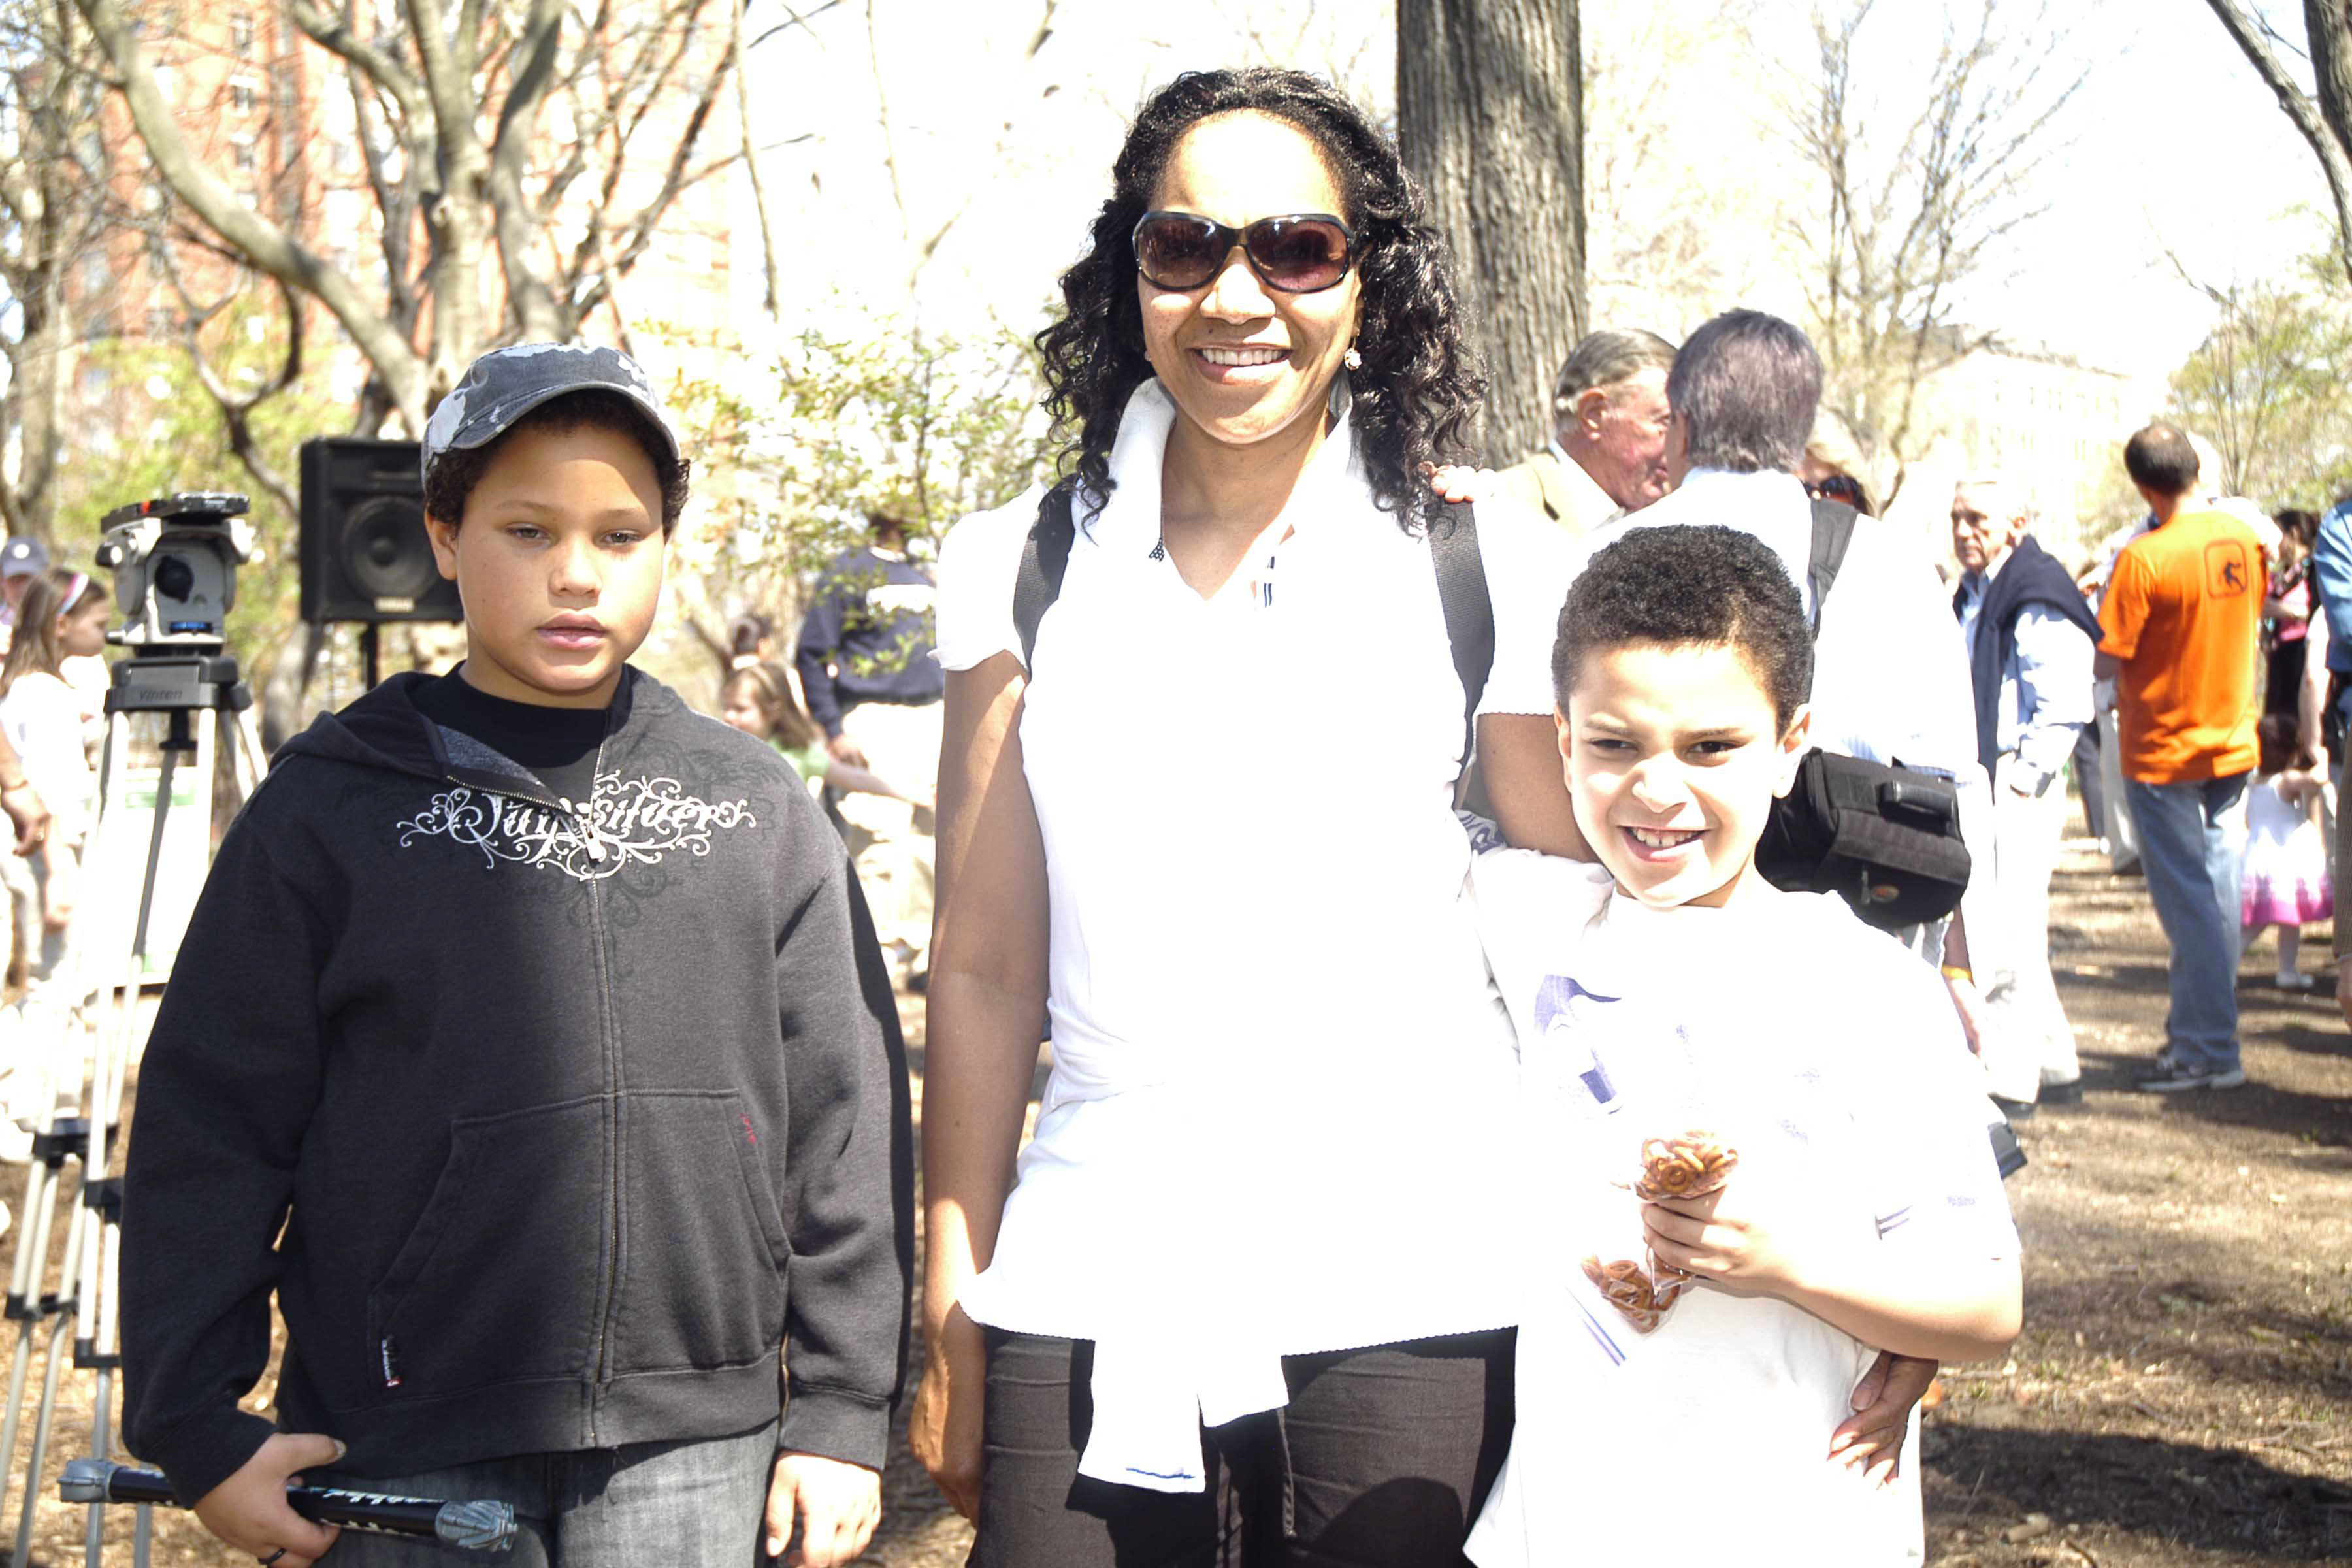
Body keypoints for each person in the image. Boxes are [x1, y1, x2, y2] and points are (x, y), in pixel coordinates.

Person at [913, 69, 1928, 1565]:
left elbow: (1645, 908)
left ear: (1366, 283)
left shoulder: (1477, 562)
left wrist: (1875, 1231)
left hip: (1409, 1269)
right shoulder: (1020, 564)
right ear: (1129, 271)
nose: (1236, 294)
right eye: (1185, 245)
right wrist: (955, 1294)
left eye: (1296, 249)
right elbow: (988, 960)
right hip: (1098, 1251)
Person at [118, 342, 914, 1568]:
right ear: (444, 535)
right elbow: (210, 1123)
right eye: (528, 531)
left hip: (700, 1444)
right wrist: (197, 1425)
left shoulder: (752, 803)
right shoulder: (332, 807)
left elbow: (845, 1118)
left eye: (619, 536)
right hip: (403, 1441)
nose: (575, 576)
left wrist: (847, 1409)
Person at [1464, 525, 2019, 1568]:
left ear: (1791, 743)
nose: (1658, 791)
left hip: (1795, 1524)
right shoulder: (1529, 920)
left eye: (1711, 747)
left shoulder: (1867, 991)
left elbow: (1988, 1305)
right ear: (1565, 742)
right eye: (1615, 743)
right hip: (1562, 1530)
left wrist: (1789, 1266)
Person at [1554, 310, 2000, 1053]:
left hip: (1660, 947)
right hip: (1865, 944)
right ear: (1799, 434)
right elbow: (1951, 781)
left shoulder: (1601, 559)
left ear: (1682, 427)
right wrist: (1957, 970)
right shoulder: (1895, 566)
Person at [2095, 422, 2264, 1093]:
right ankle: (2199, 1033)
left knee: (2191, 906)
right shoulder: (2245, 542)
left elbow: (2110, 653)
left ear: (2142, 485)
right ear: (2195, 466)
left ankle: (2209, 1048)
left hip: (2164, 751)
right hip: (2231, 742)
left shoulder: (2144, 558)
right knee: (2216, 899)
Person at [1949, 477, 2100, 1115]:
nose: (1962, 531)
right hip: (1991, 775)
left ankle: (2010, 1081)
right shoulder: (1975, 592)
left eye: (1977, 518)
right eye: (1956, 518)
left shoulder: (2036, 587)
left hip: (2017, 779)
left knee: (2005, 934)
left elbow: (2065, 699)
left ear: (2016, 523)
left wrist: (2023, 779)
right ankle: (2057, 1064)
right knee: (2013, 927)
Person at [794, 510, 944, 983]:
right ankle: (872, 960)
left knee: (930, 837)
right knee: (876, 840)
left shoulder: (927, 568)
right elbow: (813, 654)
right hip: (872, 717)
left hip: (935, 716)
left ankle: (920, 955)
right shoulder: (850, 570)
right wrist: (835, 728)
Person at [0, 569, 110, 1138]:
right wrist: (60, 874)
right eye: (99, 624)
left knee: (69, 979)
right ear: (61, 625)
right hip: (52, 855)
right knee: (54, 981)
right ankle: (21, 1104)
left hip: (52, 854)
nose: (106, 634)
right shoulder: (43, 695)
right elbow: (51, 790)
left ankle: (55, 1107)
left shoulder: (32, 688)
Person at [1491, 328, 1677, 534]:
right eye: (1667, 422)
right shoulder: (1500, 508)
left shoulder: (1665, 518)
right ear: (1594, 414)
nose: (1681, 446)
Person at [721, 660, 929, 806]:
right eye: (726, 707)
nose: (729, 716)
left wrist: (912, 794)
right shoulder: (724, 753)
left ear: (773, 711)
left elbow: (856, 779)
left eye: (740, 709)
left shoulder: (796, 752)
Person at [2239, 713, 2331, 990]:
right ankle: (2227, 966)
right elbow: (2318, 778)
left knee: (2286, 920)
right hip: (2280, 863)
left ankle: (2287, 971)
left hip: (2261, 859)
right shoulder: (2286, 781)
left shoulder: (2254, 781)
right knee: (2265, 923)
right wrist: (2321, 753)